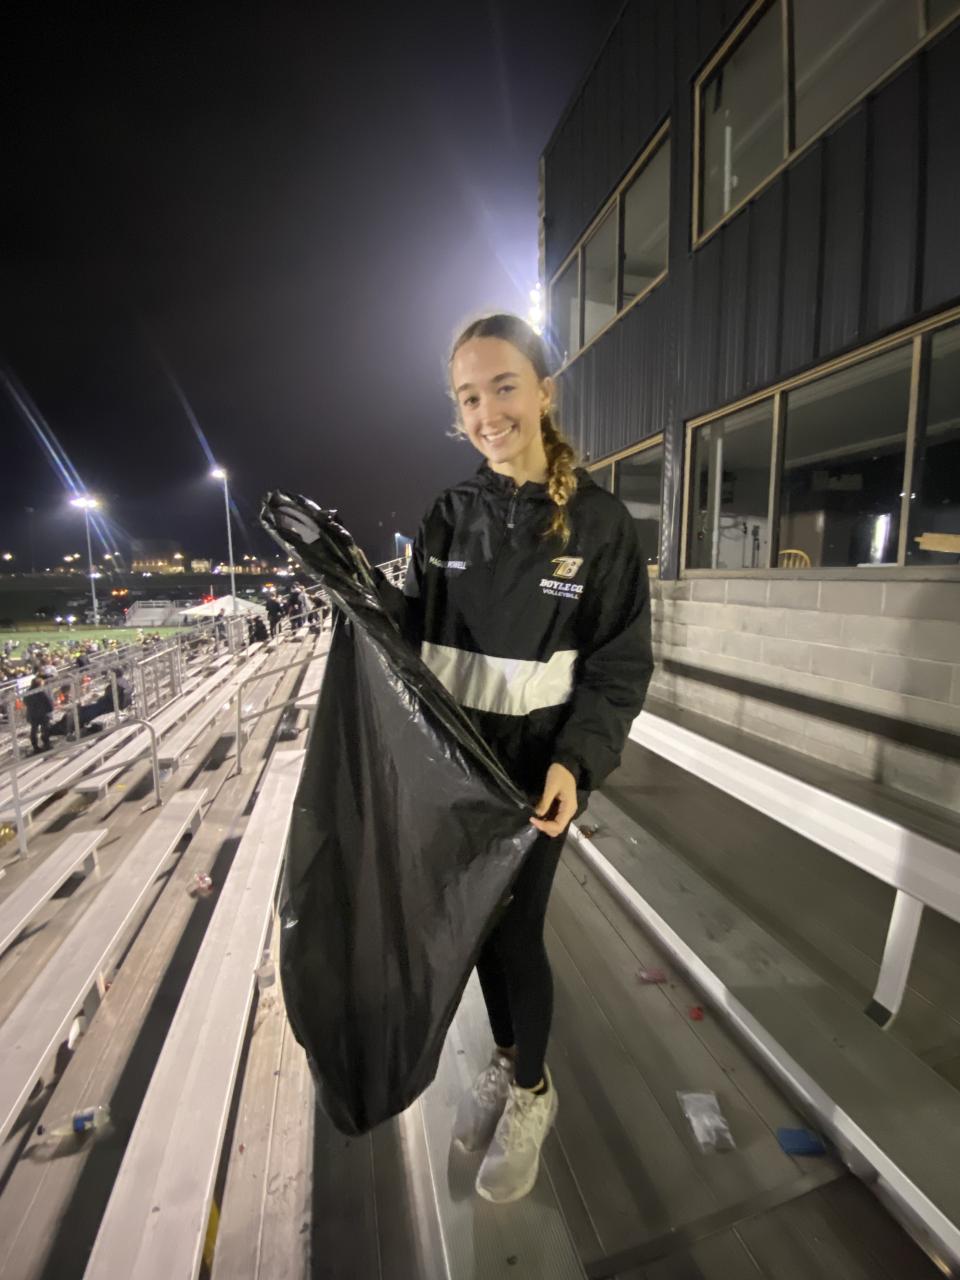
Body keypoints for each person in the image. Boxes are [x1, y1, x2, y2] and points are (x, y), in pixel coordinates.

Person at [397, 313, 653, 1204]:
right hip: (451, 774)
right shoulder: (447, 516)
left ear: (544, 391)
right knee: (471, 932)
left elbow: (619, 666)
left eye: (503, 386)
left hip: (536, 775)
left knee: (514, 933)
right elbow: (403, 642)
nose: (486, 412)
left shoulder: (601, 524)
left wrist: (576, 764)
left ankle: (534, 1091)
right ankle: (508, 1061)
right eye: (468, 397)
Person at [23, 676, 54, 753]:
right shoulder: (41, 691)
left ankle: (35, 746)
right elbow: (47, 701)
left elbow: (25, 702)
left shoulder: (28, 693)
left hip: (32, 714)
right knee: (45, 728)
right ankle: (46, 743)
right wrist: (50, 709)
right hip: (42, 714)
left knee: (34, 730)